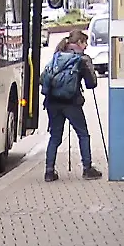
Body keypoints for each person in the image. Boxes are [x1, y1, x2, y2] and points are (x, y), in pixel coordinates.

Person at [41, 29, 103, 181]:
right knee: (83, 134)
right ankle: (87, 169)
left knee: (55, 136)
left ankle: (49, 172)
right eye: (85, 42)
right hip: (71, 103)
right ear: (79, 43)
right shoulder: (81, 59)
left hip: (53, 102)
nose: (86, 46)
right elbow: (91, 84)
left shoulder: (57, 55)